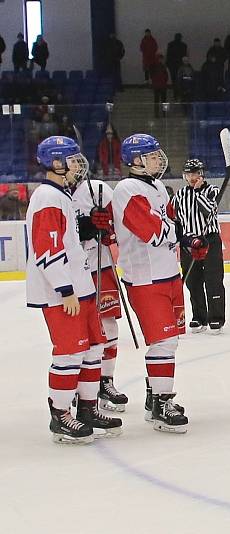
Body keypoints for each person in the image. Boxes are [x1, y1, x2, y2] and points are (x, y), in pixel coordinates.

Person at [26, 136, 122, 443]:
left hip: (81, 287)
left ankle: (87, 408)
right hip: (62, 293)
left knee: (94, 347)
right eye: (71, 158)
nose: (77, 164)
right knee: (69, 353)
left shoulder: (61, 195)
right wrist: (64, 289)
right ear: (56, 163)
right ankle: (61, 415)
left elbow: (69, 238)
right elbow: (47, 248)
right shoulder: (47, 197)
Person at [113, 134, 189, 432]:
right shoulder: (127, 190)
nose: (160, 158)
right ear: (136, 160)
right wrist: (179, 231)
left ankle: (153, 395)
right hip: (145, 278)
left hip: (169, 273)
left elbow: (171, 225)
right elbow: (154, 232)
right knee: (163, 342)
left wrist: (191, 237)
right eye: (153, 154)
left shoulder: (157, 186)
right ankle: (160, 403)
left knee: (170, 342)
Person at [72, 164, 128, 413]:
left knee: (108, 324)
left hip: (101, 264)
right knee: (80, 330)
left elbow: (120, 220)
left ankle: (105, 381)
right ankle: (77, 385)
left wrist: (108, 230)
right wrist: (85, 226)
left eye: (75, 160)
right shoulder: (54, 194)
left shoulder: (97, 189)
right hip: (73, 270)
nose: (73, 165)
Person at [172, 159, 226, 334]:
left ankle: (216, 317)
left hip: (209, 240)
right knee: (193, 281)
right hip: (189, 243)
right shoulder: (179, 195)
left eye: (196, 173)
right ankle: (199, 316)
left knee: (213, 280)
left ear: (202, 174)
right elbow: (175, 218)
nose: (192, 177)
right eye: (189, 174)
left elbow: (208, 210)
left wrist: (197, 192)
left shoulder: (213, 190)